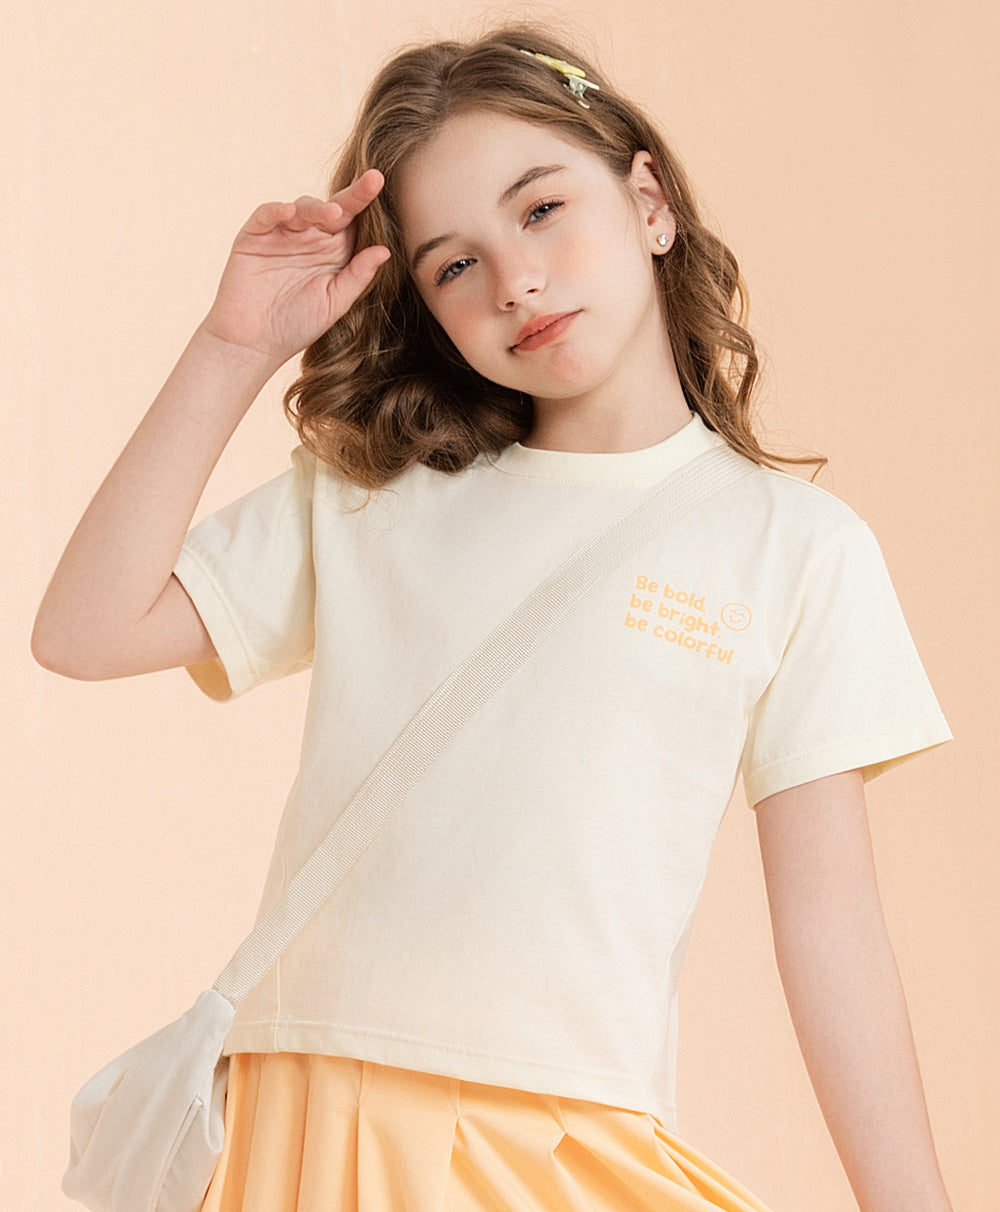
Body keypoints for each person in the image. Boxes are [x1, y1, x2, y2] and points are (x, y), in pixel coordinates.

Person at [32, 21, 956, 1212]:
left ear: (649, 202)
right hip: (310, 1120)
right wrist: (230, 349)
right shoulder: (375, 494)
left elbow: (832, 931)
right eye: (454, 265)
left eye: (542, 210)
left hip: (560, 1134)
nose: (515, 278)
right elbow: (86, 630)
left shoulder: (795, 549)